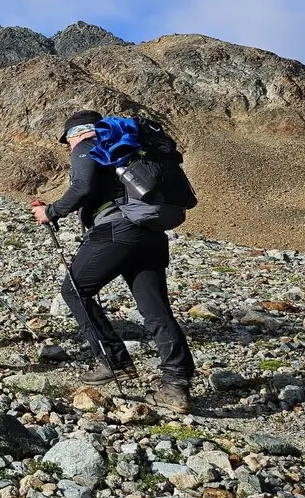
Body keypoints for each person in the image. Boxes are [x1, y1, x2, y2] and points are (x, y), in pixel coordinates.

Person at [32, 110, 195, 413]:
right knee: (157, 311)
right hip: (151, 233)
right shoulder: (130, 148)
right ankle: (176, 385)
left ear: (77, 133)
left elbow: (82, 188)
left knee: (74, 291)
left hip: (116, 231)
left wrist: (50, 212)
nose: (69, 146)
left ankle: (113, 361)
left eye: (67, 139)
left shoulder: (86, 145)